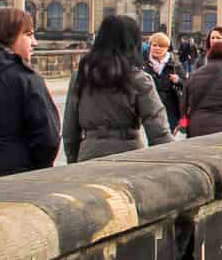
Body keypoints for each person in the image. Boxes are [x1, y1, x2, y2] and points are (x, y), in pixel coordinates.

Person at [0, 8, 61, 178]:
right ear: (10, 36)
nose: (34, 42)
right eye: (28, 35)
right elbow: (48, 139)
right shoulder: (25, 79)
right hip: (14, 174)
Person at [63, 14, 172, 162]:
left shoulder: (80, 76)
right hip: (129, 156)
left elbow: (70, 130)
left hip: (88, 155)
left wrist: (73, 159)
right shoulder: (139, 79)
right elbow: (159, 132)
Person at [144, 31, 184, 131]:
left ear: (167, 48)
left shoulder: (175, 65)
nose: (157, 48)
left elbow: (186, 84)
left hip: (170, 109)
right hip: (148, 109)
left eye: (161, 46)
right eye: (154, 45)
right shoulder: (142, 64)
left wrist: (178, 80)